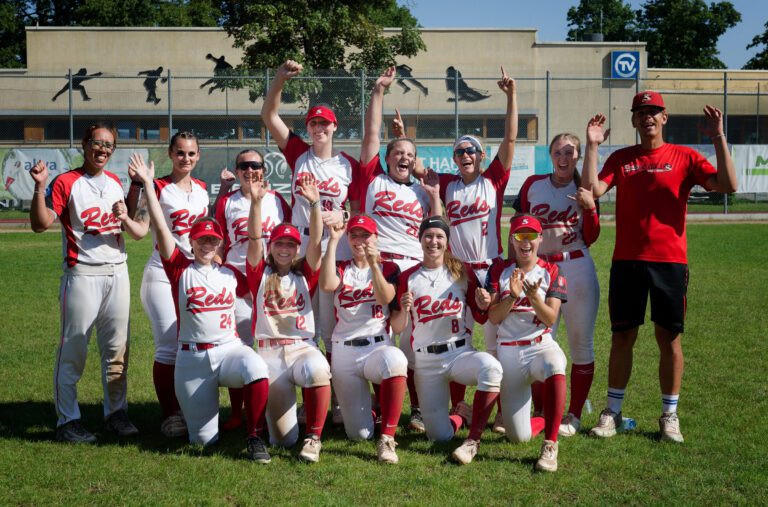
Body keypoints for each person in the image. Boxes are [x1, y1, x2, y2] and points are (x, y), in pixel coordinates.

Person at [582, 91, 737, 442]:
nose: (647, 117)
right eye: (641, 112)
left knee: (669, 338)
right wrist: (592, 146)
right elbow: (593, 190)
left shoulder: (685, 157)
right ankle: (613, 412)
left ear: (664, 117)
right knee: (623, 336)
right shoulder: (622, 158)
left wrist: (718, 136)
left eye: (653, 111)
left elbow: (728, 185)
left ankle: (669, 415)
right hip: (627, 261)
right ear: (634, 121)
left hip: (669, 262)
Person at [127, 153, 271, 462]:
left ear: (221, 244)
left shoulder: (231, 274)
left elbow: (257, 249)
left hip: (229, 351)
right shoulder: (179, 270)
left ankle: (255, 435)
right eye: (201, 240)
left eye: (213, 240)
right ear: (191, 242)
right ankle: (199, 419)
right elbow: (163, 231)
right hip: (192, 360)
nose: (207, 245)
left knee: (257, 366)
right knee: (203, 442)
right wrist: (149, 186)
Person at [262, 60, 358, 421]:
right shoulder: (298, 154)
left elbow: (357, 209)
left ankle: (334, 400)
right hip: (300, 252)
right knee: (300, 325)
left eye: (324, 123)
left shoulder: (347, 165)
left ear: (335, 127)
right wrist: (279, 79)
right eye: (313, 123)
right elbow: (269, 115)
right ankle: (305, 396)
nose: (318, 127)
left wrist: (345, 216)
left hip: (335, 250)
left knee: (333, 328)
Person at [29, 122, 137, 443]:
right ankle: (68, 420)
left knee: (118, 350)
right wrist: (39, 187)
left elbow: (128, 218)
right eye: (97, 143)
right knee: (74, 348)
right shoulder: (67, 182)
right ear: (84, 144)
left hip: (118, 272)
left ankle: (115, 413)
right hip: (83, 275)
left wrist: (135, 189)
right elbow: (40, 223)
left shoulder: (116, 181)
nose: (102, 150)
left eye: (109, 145)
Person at [358, 66, 442, 433]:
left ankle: (418, 410)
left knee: (411, 340)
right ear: (387, 158)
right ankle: (376, 406)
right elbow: (373, 133)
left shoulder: (421, 192)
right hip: (379, 266)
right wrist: (378, 91)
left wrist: (435, 198)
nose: (404, 157)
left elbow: (437, 229)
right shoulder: (372, 180)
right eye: (398, 153)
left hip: (411, 271)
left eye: (410, 154)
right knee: (378, 337)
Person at [436, 66, 517, 433]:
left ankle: (499, 409)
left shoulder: (493, 181)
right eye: (458, 151)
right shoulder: (447, 186)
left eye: (470, 150)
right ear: (453, 159)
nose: (464, 154)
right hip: (458, 271)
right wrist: (402, 136)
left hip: (491, 267)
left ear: (481, 156)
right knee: (457, 337)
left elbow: (511, 142)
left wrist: (511, 96)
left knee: (496, 340)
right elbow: (411, 168)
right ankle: (459, 406)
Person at [391, 216, 502, 465]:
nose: (433, 241)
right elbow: (398, 327)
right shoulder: (408, 277)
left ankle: (473, 440)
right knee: (438, 436)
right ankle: (462, 416)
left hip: (459, 354)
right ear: (419, 240)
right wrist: (402, 309)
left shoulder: (462, 272)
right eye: (428, 236)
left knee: (491, 368)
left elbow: (482, 318)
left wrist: (484, 304)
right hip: (426, 362)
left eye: (439, 236)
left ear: (447, 241)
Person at [120, 131, 209, 438]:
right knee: (169, 345)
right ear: (170, 154)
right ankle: (170, 414)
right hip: (162, 272)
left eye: (191, 153)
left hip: (192, 276)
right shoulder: (156, 186)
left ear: (198, 156)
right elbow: (140, 230)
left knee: (192, 344)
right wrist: (125, 214)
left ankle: (186, 407)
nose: (186, 158)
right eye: (180, 153)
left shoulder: (202, 189)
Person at [513, 133, 600, 437]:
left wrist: (589, 208)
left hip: (576, 265)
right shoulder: (533, 185)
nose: (564, 158)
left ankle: (574, 414)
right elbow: (519, 228)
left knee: (581, 343)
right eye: (558, 152)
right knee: (536, 340)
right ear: (550, 155)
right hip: (540, 267)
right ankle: (540, 410)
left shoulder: (584, 188)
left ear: (577, 156)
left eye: (570, 152)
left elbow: (591, 236)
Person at [246, 173, 332, 463]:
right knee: (283, 438)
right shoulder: (260, 273)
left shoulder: (304, 274)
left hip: (301, 348)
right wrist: (256, 203)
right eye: (279, 244)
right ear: (271, 246)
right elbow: (254, 238)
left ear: (297, 249)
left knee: (318, 368)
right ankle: (294, 423)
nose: (285, 249)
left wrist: (315, 204)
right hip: (269, 352)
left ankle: (315, 437)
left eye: (291, 245)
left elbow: (317, 240)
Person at [319, 215, 408, 464]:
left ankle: (387, 438)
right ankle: (371, 412)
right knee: (358, 434)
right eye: (354, 235)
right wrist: (334, 240)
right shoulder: (341, 266)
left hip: (377, 344)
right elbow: (326, 284)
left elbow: (384, 297)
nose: (359, 240)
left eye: (365, 235)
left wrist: (374, 264)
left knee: (396, 360)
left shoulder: (389, 267)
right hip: (345, 350)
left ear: (375, 238)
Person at [213, 149, 291, 430]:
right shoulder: (227, 202)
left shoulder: (277, 201)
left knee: (276, 346)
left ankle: (276, 407)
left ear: (264, 170)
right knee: (240, 349)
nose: (250, 170)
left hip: (271, 281)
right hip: (238, 282)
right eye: (244, 165)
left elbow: (288, 241)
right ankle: (238, 411)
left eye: (256, 165)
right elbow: (219, 244)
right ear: (237, 170)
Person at [488, 215, 568, 473]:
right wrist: (512, 295)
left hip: (538, 346)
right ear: (512, 239)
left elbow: (550, 317)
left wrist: (534, 297)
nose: (526, 242)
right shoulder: (500, 270)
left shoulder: (552, 270)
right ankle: (544, 420)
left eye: (531, 236)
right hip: (509, 351)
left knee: (556, 364)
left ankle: (550, 443)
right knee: (518, 437)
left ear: (540, 238)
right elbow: (494, 317)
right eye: (520, 236)